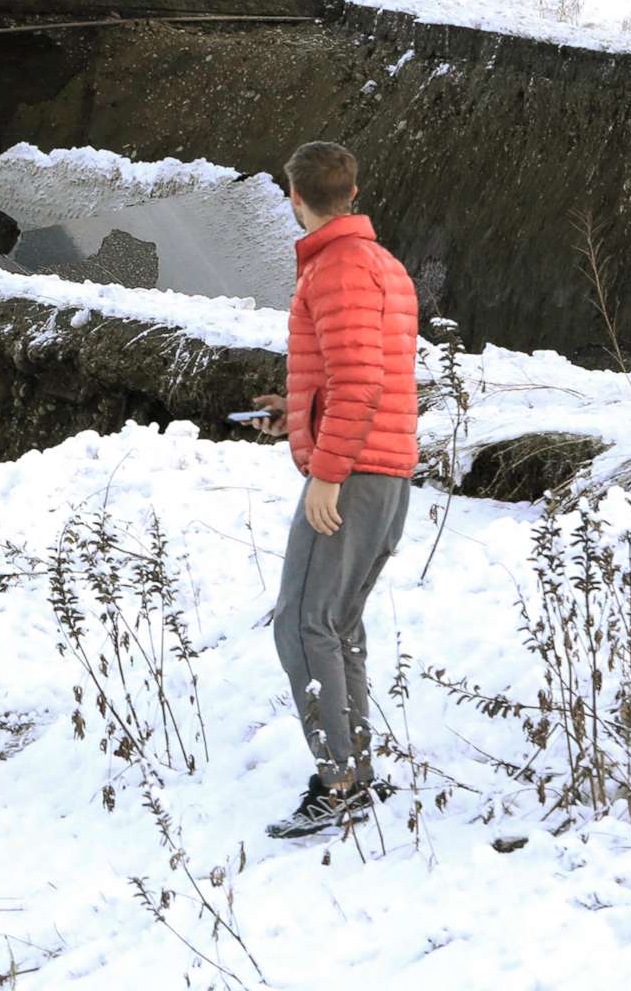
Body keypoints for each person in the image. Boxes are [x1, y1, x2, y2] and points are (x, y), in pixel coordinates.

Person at [249, 141, 420, 840]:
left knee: (301, 624)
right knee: (337, 625)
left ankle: (339, 781)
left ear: (295, 197)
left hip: (354, 476)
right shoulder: (381, 264)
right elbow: (358, 372)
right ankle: (354, 773)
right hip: (383, 470)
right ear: (351, 191)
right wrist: (294, 416)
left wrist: (327, 471)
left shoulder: (338, 269)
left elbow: (360, 383)